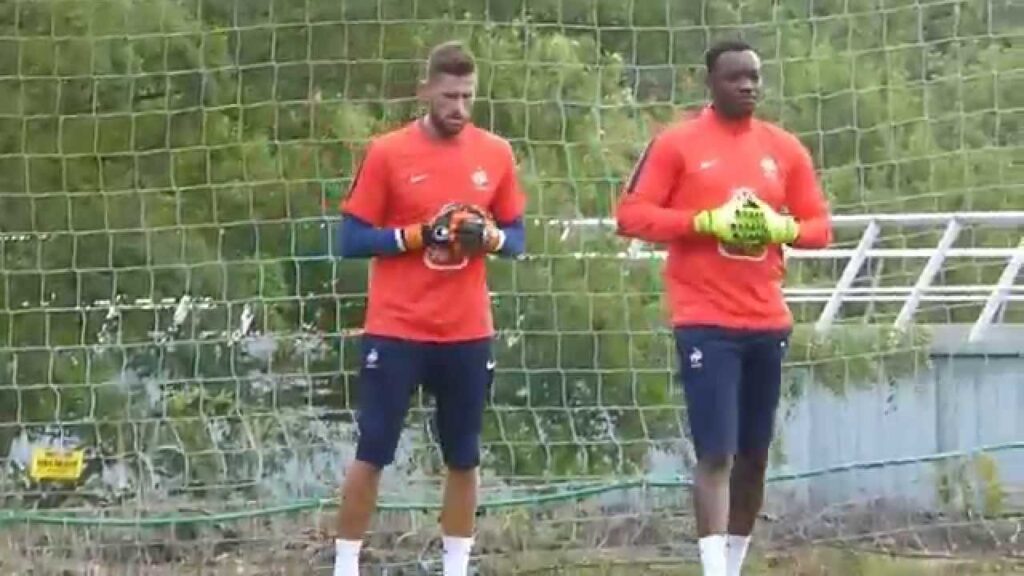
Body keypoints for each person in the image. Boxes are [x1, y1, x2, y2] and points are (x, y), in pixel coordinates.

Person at [614, 39, 832, 576]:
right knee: (716, 454)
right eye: (736, 77)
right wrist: (703, 222)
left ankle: (734, 562)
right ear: (710, 83)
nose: (749, 85)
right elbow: (632, 215)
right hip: (704, 321)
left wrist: (782, 228)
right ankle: (713, 568)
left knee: (754, 457)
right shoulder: (677, 144)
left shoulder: (784, 149)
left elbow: (820, 227)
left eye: (755, 76)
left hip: (767, 321)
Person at [332, 41, 527, 576]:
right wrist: (416, 236)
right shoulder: (388, 152)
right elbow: (350, 239)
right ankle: (346, 565)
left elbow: (517, 238)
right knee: (373, 450)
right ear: (425, 92)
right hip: (396, 329)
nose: (458, 107)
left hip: (466, 332)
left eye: (467, 96)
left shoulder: (496, 154)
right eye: (448, 96)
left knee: (463, 456)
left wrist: (487, 237)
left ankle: (456, 567)